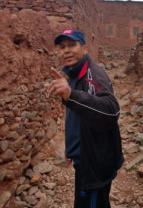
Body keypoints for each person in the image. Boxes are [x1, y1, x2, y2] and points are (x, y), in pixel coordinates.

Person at [46, 29, 124, 208]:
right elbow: (77, 115)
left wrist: (71, 95)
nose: (66, 50)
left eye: (72, 45)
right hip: (83, 158)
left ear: (85, 49)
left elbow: (112, 111)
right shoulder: (74, 74)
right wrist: (71, 147)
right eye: (62, 47)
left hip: (95, 163)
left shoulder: (93, 75)